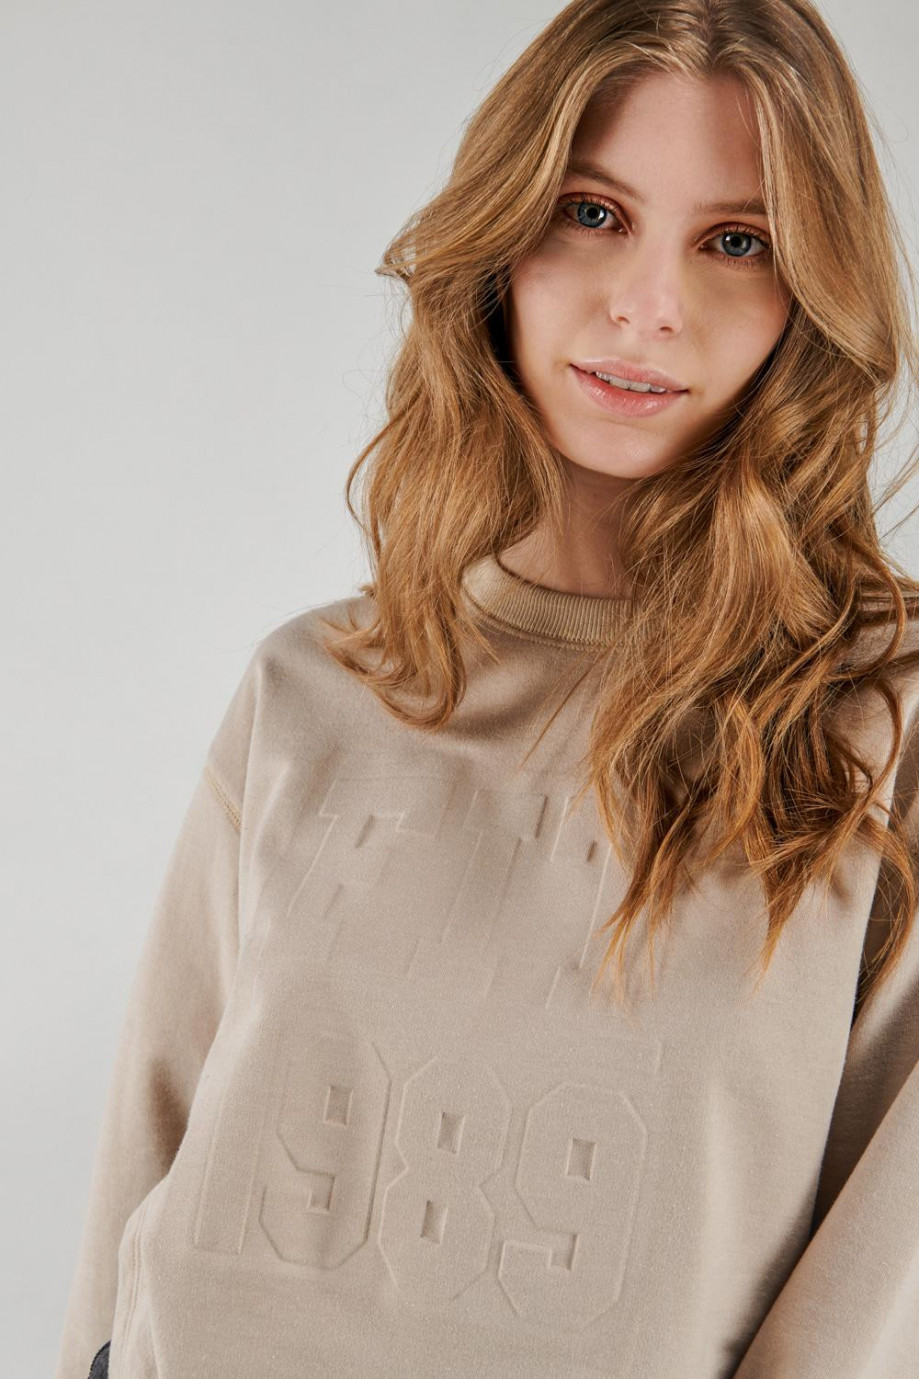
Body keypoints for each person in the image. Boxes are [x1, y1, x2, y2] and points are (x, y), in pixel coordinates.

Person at [55, 0, 919, 1376]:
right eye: (593, 212)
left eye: (736, 242)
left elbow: (882, 1276)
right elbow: (143, 1158)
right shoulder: (315, 683)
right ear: (503, 233)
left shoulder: (884, 721)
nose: (648, 304)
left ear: (812, 291)